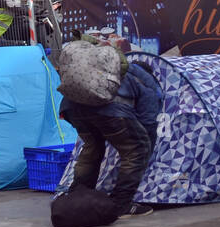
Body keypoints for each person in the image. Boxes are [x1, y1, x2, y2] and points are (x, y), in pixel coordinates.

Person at [59, 42, 163, 218]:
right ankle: (122, 204)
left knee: (93, 146)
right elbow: (148, 122)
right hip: (110, 112)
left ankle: (78, 196)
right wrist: (145, 150)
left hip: (71, 108)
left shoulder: (107, 70)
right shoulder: (148, 83)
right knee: (137, 149)